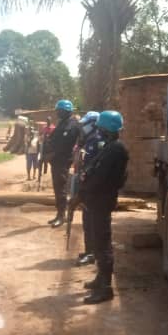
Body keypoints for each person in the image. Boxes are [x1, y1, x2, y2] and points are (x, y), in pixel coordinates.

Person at [79, 110, 128, 304]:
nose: (98, 130)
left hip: (101, 201)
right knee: (98, 242)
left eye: (100, 127)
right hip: (97, 200)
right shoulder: (110, 147)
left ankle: (106, 288)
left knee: (102, 243)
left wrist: (84, 190)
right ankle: (101, 278)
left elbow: (100, 178)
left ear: (107, 129)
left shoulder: (116, 149)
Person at [71, 111, 101, 266]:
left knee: (91, 223)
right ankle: (90, 250)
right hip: (87, 189)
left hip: (93, 191)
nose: (82, 127)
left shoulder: (96, 142)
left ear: (93, 124)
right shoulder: (88, 141)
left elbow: (91, 168)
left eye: (85, 124)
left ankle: (92, 253)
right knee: (87, 221)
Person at [44, 100, 80, 228]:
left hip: (62, 160)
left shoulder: (72, 124)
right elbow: (54, 139)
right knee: (57, 188)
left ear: (66, 111)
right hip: (56, 160)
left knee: (61, 189)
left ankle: (62, 216)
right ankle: (59, 213)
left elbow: (64, 144)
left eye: (59, 111)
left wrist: (51, 153)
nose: (57, 113)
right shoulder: (63, 123)